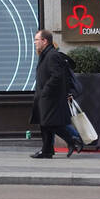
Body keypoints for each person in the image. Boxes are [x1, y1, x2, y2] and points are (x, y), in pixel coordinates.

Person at [29, 29, 82, 158]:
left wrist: (46, 91)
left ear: (44, 41)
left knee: (50, 123)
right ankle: (47, 151)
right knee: (45, 124)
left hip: (50, 98)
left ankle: (73, 139)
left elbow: (57, 76)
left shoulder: (52, 55)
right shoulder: (46, 54)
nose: (35, 42)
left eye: (37, 40)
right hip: (45, 97)